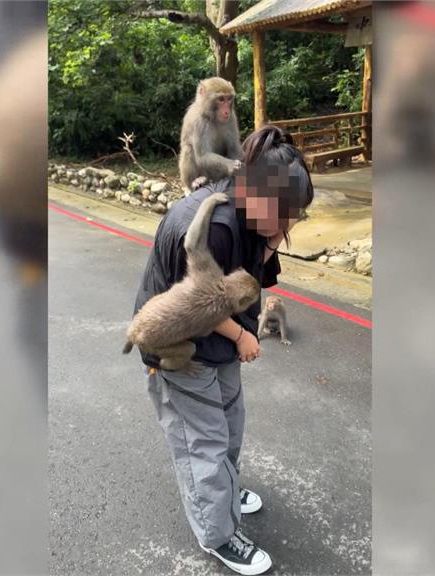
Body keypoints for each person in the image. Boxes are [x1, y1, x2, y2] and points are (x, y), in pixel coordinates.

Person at [132, 125, 314, 575]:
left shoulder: (254, 215)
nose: (291, 225)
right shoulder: (214, 225)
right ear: (257, 194)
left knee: (230, 422)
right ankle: (218, 534)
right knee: (204, 442)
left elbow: (257, 275)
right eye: (287, 214)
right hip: (178, 341)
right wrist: (241, 336)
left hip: (218, 338)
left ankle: (225, 495)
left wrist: (273, 238)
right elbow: (197, 306)